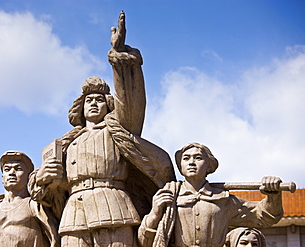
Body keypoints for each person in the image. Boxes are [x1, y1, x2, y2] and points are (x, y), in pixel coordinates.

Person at [28, 12, 175, 247]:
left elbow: (131, 102)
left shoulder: (119, 130)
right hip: (73, 213)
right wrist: (44, 179)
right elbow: (46, 191)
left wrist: (119, 58)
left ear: (109, 105)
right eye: (88, 100)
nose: (94, 103)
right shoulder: (65, 143)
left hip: (113, 207)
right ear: (80, 107)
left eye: (99, 99)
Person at [138, 142, 283, 247]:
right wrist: (155, 212)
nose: (192, 162)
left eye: (198, 158)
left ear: (209, 166)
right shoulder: (169, 196)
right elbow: (144, 242)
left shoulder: (224, 200)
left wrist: (273, 195)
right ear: (180, 167)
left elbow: (264, 216)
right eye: (186, 158)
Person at [0, 151, 59, 247]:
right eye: (7, 169)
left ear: (29, 177)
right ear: (2, 178)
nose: (11, 173)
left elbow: (58, 202)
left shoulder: (36, 205)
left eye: (18, 169)